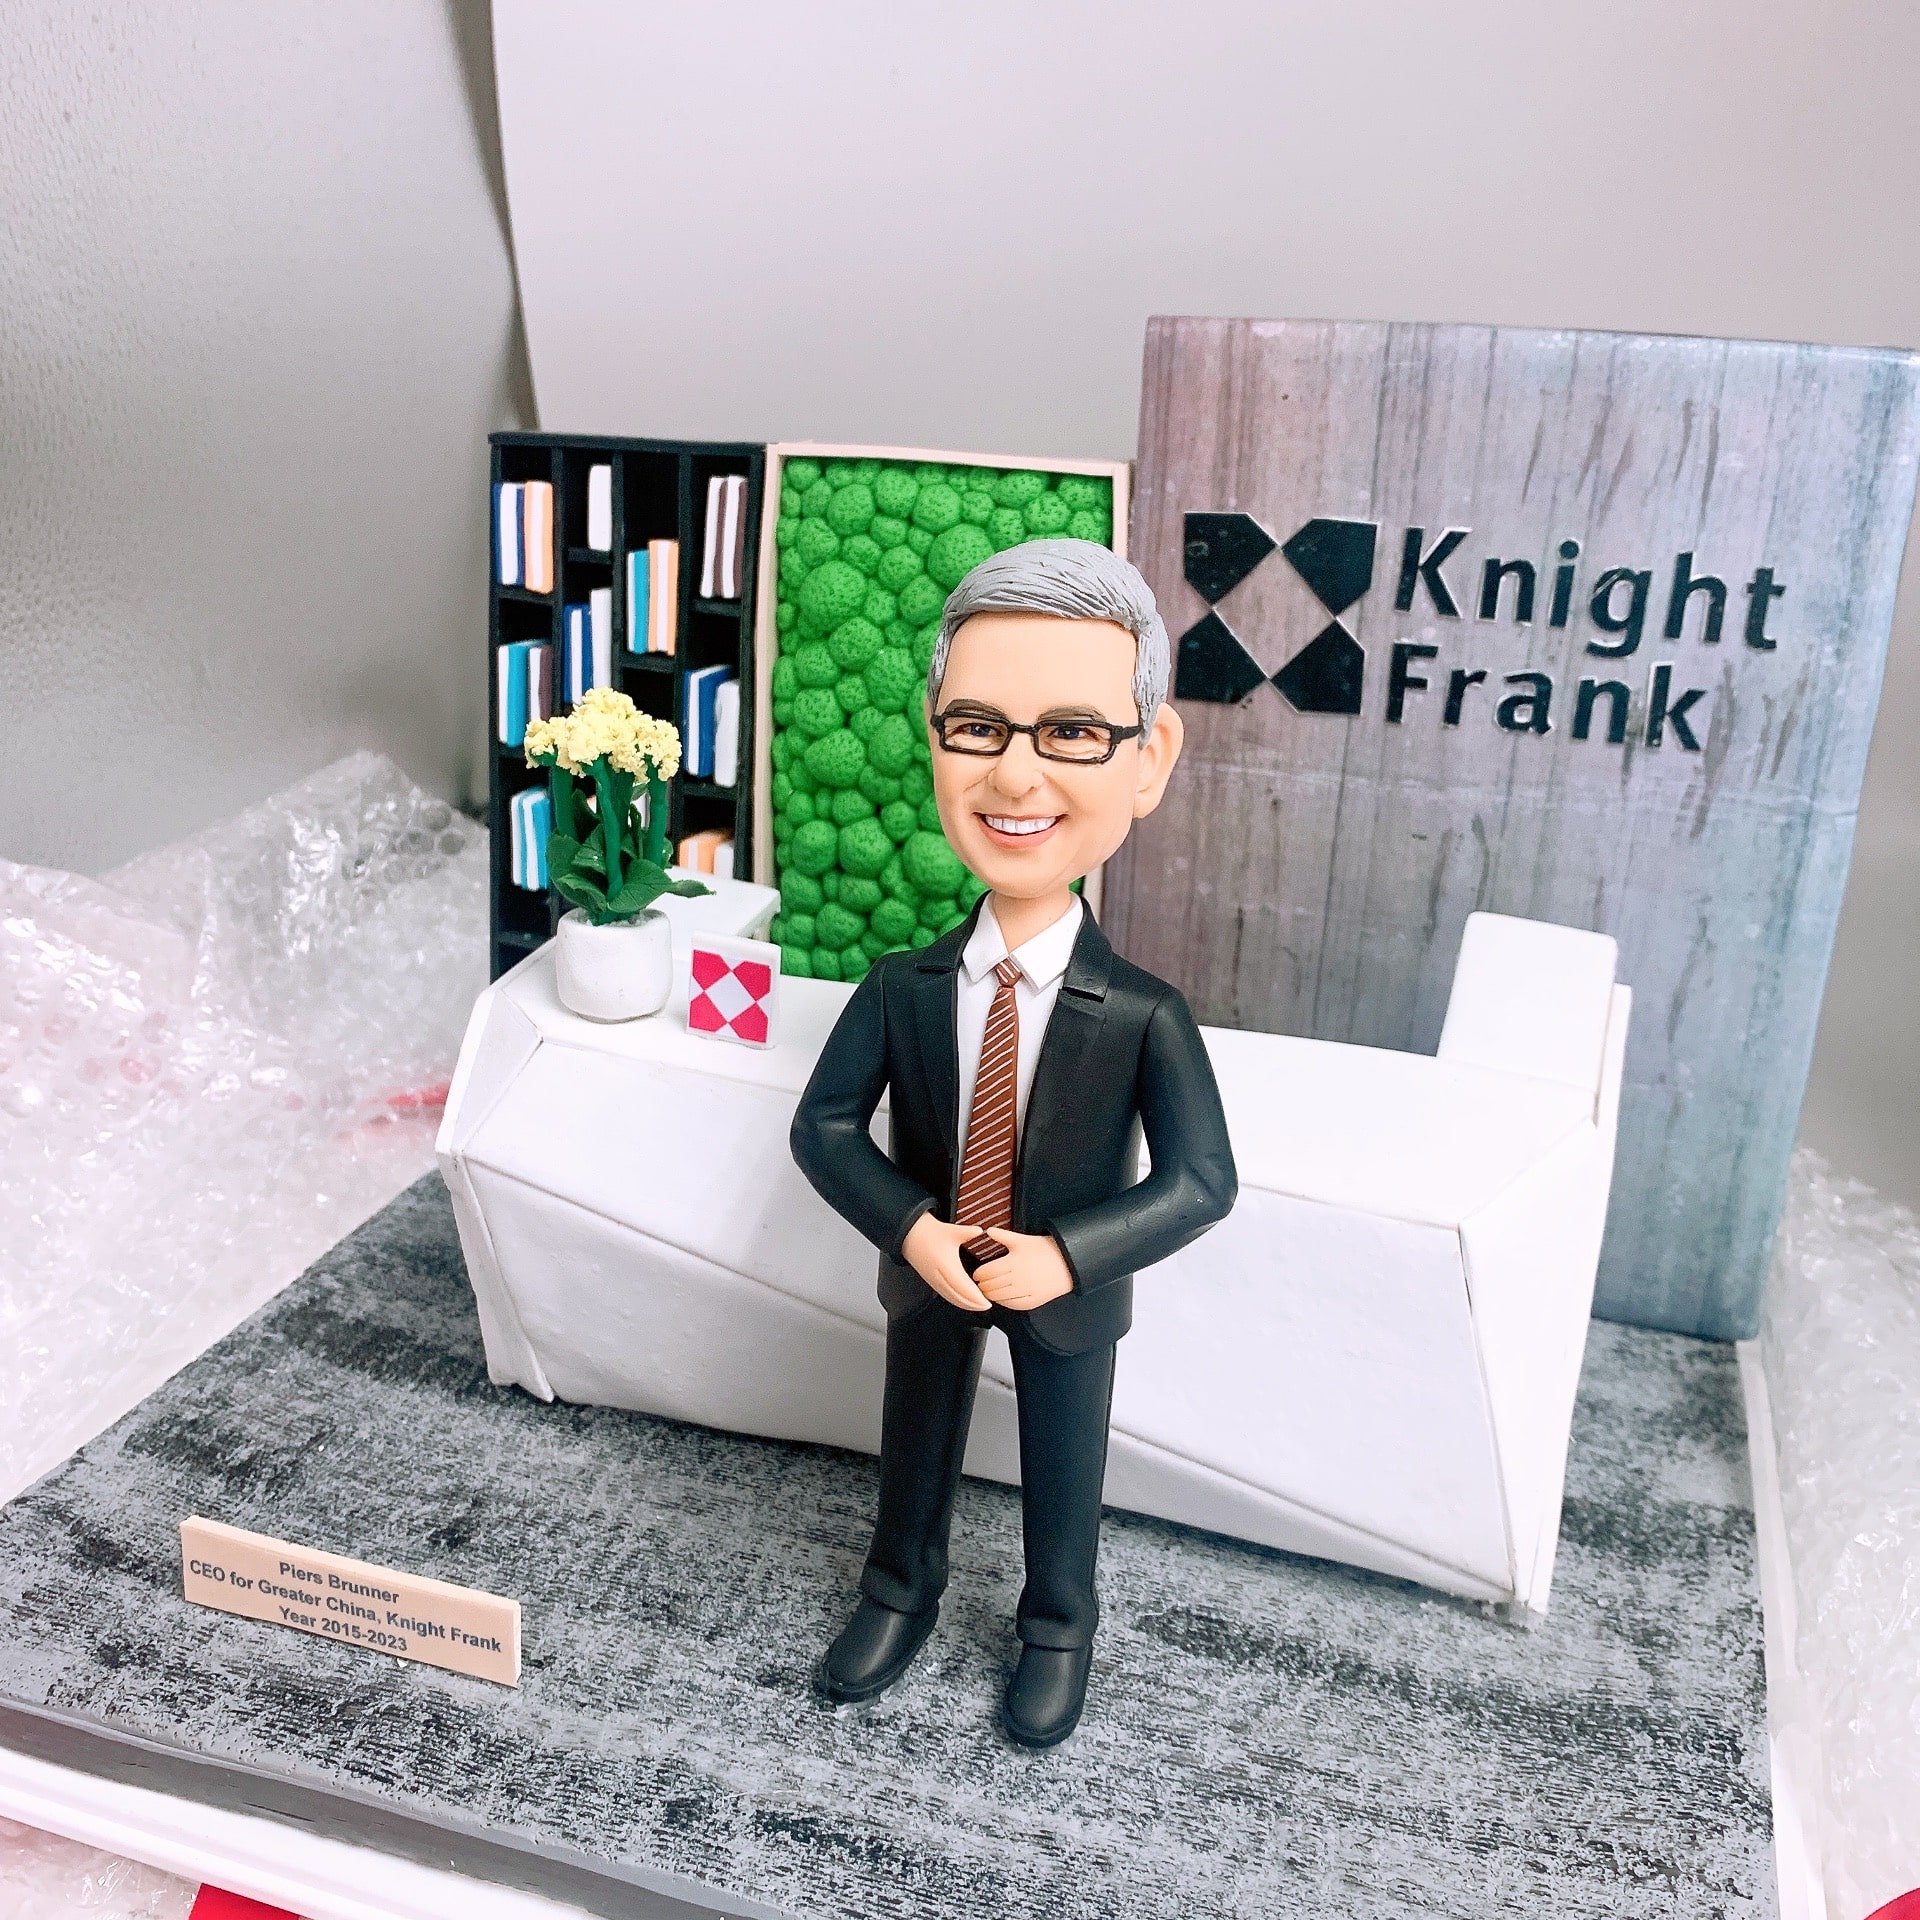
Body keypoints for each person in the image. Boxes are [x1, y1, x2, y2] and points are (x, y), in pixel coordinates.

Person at [789, 538, 1237, 1748]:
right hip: (932, 1277)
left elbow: (1202, 1181)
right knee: (913, 1450)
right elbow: (823, 1127)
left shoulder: (1141, 1014)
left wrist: (1070, 1255)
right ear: (934, 736)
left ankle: (1057, 1628)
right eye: (979, 727)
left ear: (1149, 758)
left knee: (1065, 1470)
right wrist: (913, 1230)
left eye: (1074, 732)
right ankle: (899, 1592)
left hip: (1067, 1297)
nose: (1017, 772)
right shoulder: (904, 986)